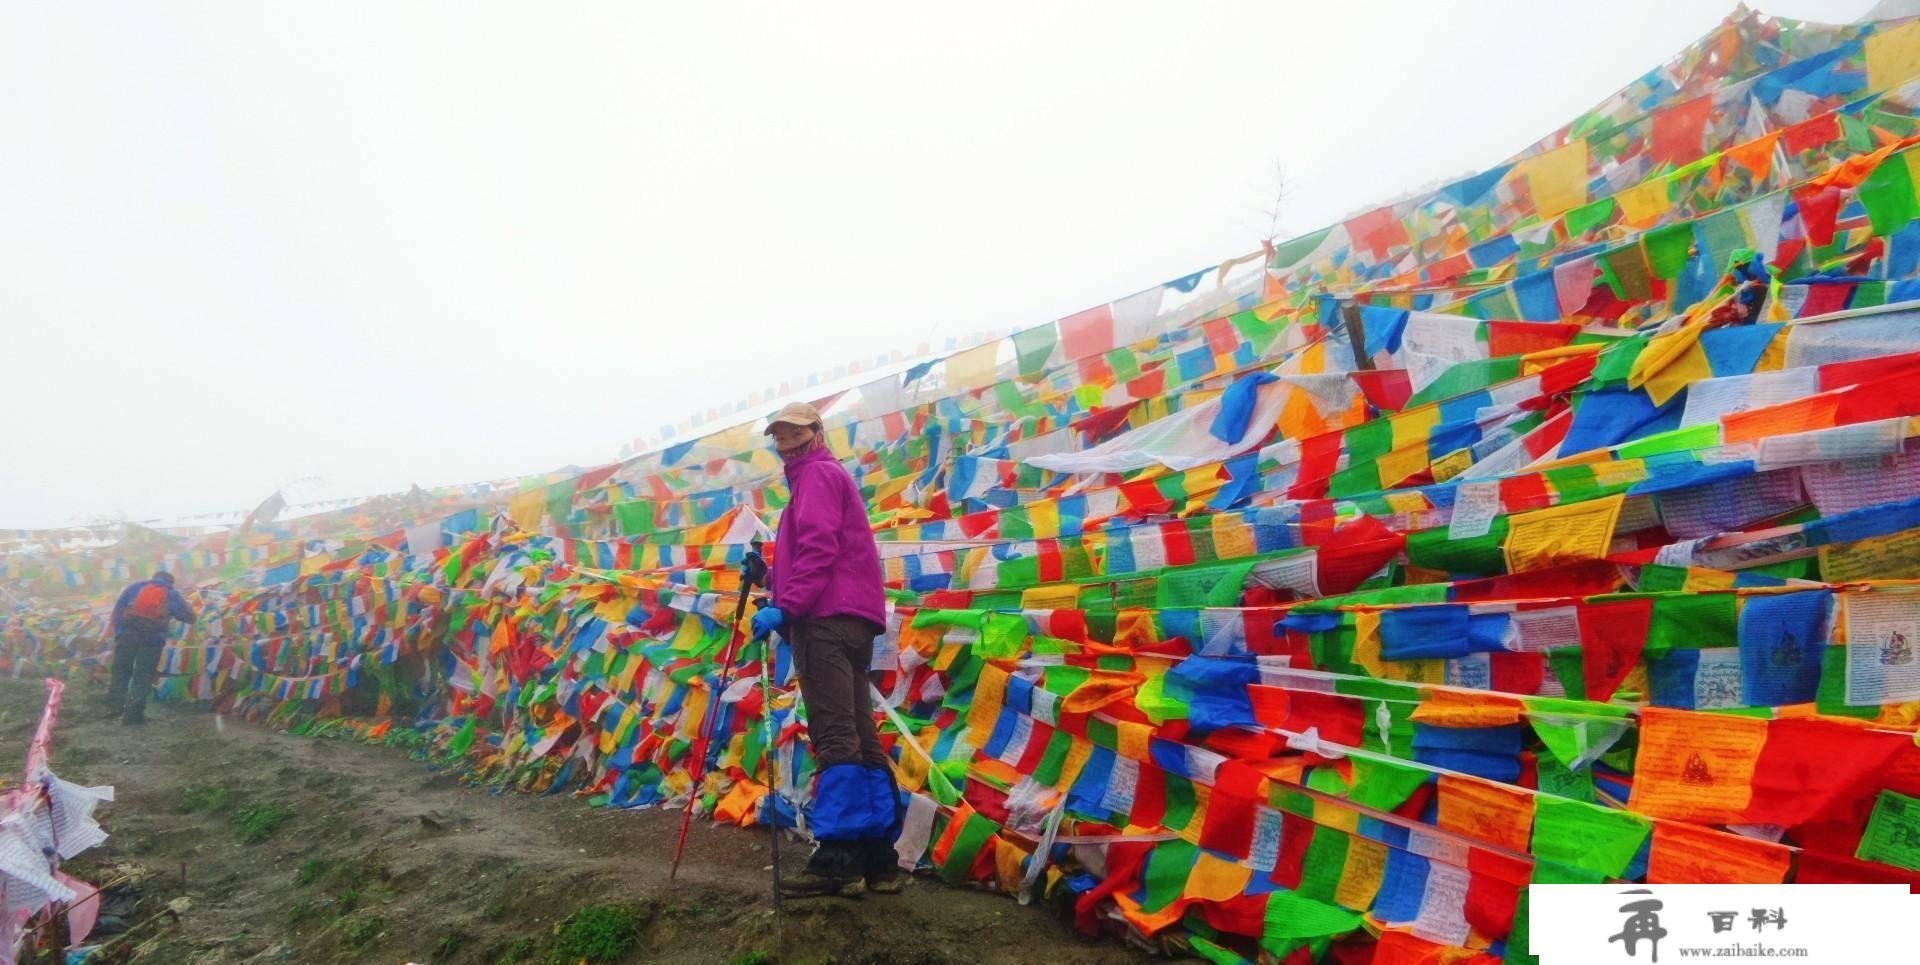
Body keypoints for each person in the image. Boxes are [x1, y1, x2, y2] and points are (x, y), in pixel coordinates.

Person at [750, 401, 902, 897]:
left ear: (816, 431)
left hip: (824, 622)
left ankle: (839, 857)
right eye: (779, 434)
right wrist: (770, 578)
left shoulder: (814, 477)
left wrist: (786, 606)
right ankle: (879, 858)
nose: (787, 441)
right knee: (860, 732)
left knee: (834, 734)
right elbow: (822, 553)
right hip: (854, 619)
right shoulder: (828, 476)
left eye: (795, 431)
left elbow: (819, 550)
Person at [106, 571, 196, 725]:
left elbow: (117, 612)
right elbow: (190, 617)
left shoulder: (134, 587)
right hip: (152, 639)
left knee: (121, 671)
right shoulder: (171, 593)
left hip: (127, 636)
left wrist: (120, 633)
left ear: (153, 577)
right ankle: (133, 715)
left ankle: (114, 709)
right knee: (143, 675)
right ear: (170, 582)